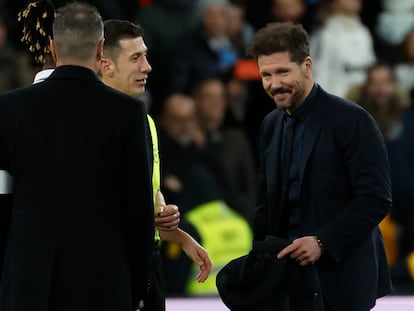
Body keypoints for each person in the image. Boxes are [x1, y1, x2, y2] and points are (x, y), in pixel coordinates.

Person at [0, 2, 155, 311]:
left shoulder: (9, 108)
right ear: (100, 50)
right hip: (104, 283)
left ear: (54, 49)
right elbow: (138, 207)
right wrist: (139, 284)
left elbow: (3, 194)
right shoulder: (128, 112)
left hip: (28, 281)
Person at [246, 21, 392, 311]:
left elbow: (376, 199)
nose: (274, 84)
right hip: (289, 282)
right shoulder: (272, 124)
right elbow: (266, 206)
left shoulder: (352, 120)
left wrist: (322, 241)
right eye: (266, 75)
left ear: (307, 65)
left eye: (283, 71)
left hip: (343, 279)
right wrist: (259, 264)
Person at [99, 19, 212, 311]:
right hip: (109, 270)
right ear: (106, 65)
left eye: (145, 55)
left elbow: (149, 196)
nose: (147, 67)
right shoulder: (89, 123)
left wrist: (175, 229)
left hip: (149, 260)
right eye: (135, 58)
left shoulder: (145, 121)